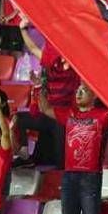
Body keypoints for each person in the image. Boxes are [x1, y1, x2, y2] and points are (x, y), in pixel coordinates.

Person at [38, 83, 108, 214]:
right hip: (69, 175)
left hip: (90, 176)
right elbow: (45, 108)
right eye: (77, 90)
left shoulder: (102, 115)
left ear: (94, 95)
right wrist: (39, 86)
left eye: (84, 90)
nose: (78, 94)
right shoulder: (69, 114)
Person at [15, 17, 81, 168]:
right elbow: (33, 48)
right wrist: (22, 29)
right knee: (19, 118)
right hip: (49, 112)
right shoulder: (52, 62)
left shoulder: (77, 67)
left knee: (60, 162)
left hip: (65, 116)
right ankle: (25, 153)